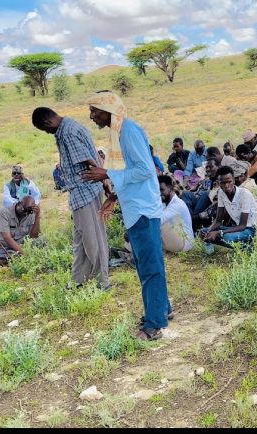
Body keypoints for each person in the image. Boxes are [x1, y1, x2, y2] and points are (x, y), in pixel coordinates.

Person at [80, 90, 171, 341]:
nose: (91, 116)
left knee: (150, 266)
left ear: (108, 110)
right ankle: (161, 309)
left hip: (143, 209)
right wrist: (111, 198)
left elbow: (144, 170)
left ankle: (154, 324)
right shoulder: (118, 132)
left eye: (94, 110)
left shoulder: (128, 130)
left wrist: (106, 174)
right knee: (145, 263)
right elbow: (126, 170)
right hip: (135, 208)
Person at [31, 106, 109, 289]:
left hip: (85, 191)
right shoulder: (70, 126)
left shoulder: (67, 133)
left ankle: (102, 282)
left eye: (45, 130)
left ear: (47, 122)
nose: (47, 133)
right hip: (85, 191)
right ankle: (78, 279)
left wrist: (105, 179)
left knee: (92, 240)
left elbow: (88, 160)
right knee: (81, 239)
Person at [198, 165, 257, 251]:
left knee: (226, 237)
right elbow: (218, 221)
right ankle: (219, 246)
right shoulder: (221, 193)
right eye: (222, 183)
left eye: (229, 181)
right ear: (218, 183)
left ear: (234, 181)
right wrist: (209, 230)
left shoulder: (244, 194)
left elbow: (242, 226)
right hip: (237, 228)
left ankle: (249, 248)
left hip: (250, 229)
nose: (226, 185)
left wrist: (219, 232)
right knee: (203, 231)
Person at [0, 196, 41, 267]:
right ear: (19, 203)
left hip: (21, 245)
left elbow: (33, 237)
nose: (24, 213)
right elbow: (7, 237)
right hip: (3, 247)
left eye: (27, 211)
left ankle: (4, 259)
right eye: (23, 209)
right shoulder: (4, 212)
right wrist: (24, 253)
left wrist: (37, 217)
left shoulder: (30, 214)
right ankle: (18, 256)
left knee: (42, 240)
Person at [158, 175, 194, 253]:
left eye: (162, 189)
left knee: (153, 223)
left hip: (185, 243)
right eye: (157, 190)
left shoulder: (177, 204)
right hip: (175, 240)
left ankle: (129, 251)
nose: (159, 193)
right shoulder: (164, 202)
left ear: (170, 187)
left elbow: (158, 221)